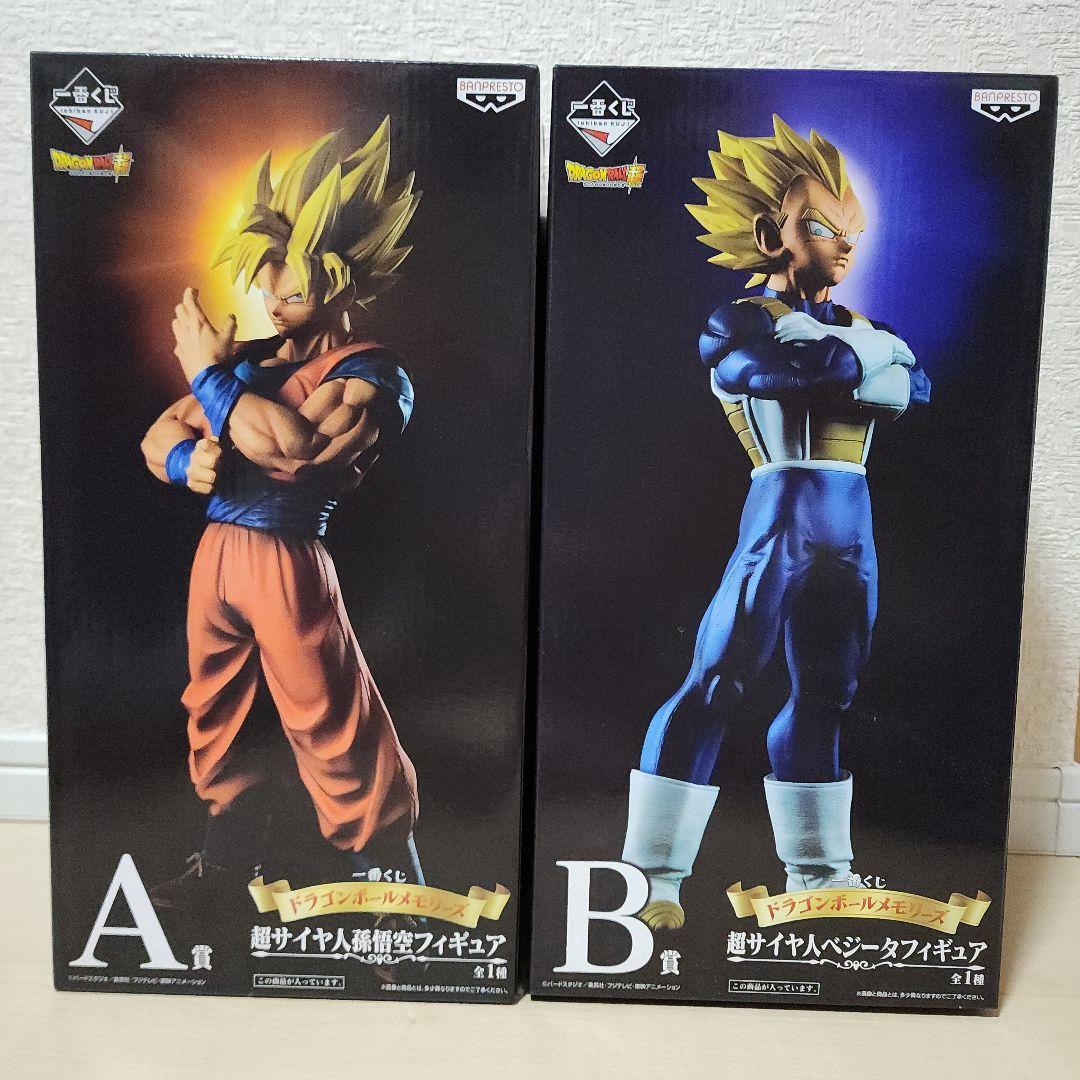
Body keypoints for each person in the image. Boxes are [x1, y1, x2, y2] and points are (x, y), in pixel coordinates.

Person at [622, 116, 931, 930]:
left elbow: (913, 389)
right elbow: (782, 374)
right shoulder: (740, 321)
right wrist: (870, 360)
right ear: (771, 236)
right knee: (718, 678)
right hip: (782, 513)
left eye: (853, 229)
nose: (846, 244)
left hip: (852, 525)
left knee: (829, 693)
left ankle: (820, 872)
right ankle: (650, 879)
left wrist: (851, 358)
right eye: (823, 227)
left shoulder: (863, 330)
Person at [140, 123, 425, 910]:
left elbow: (295, 453)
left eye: (291, 289)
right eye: (267, 286)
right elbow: (159, 435)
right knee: (215, 714)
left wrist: (207, 377)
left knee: (330, 720)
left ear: (342, 284)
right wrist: (184, 461)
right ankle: (223, 871)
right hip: (219, 552)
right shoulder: (251, 362)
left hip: (287, 554)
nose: (272, 303)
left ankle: (390, 889)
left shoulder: (370, 373)